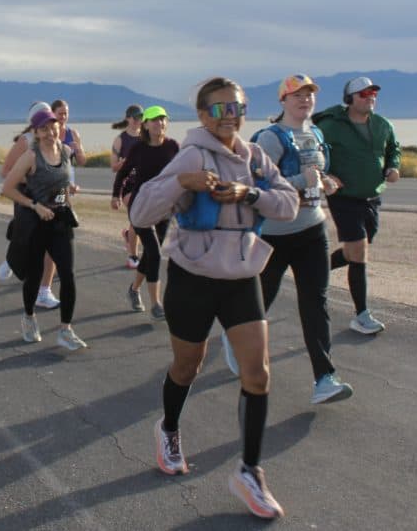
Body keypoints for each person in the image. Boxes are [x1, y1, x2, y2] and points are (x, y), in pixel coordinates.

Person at [130, 76, 297, 519]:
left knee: (258, 373)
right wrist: (182, 182)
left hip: (242, 275)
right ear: (204, 115)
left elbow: (289, 202)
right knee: (188, 366)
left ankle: (250, 470)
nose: (232, 116)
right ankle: (168, 428)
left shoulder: (255, 156)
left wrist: (252, 193)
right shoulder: (190, 154)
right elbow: (141, 212)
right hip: (193, 276)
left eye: (238, 107)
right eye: (221, 109)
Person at [238, 74, 354, 404]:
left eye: (309, 95)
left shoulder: (316, 133)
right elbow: (258, 188)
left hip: (313, 231)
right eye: (296, 95)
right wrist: (302, 180)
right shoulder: (272, 139)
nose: (304, 100)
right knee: (260, 301)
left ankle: (324, 378)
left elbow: (316, 176)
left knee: (315, 302)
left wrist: (325, 183)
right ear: (283, 101)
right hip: (276, 236)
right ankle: (239, 343)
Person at [313, 76, 401, 335]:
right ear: (350, 98)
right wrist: (326, 175)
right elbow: (312, 150)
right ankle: (361, 315)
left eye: (373, 93)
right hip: (344, 198)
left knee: (356, 250)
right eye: (364, 94)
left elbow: (394, 147)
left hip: (371, 197)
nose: (370, 97)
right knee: (359, 253)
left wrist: (393, 165)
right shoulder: (330, 125)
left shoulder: (383, 124)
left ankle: (316, 271)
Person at [2, 107, 88, 351]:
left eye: (53, 127)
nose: (50, 132)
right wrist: (35, 205)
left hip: (60, 221)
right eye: (44, 129)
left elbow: (64, 182)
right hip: (36, 223)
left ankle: (66, 330)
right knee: (34, 275)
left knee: (68, 275)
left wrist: (69, 193)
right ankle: (29, 317)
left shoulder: (66, 151)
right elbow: (7, 188)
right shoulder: (30, 156)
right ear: (36, 133)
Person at [112, 105, 178, 320]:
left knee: (151, 254)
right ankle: (156, 304)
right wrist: (116, 196)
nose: (160, 123)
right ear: (146, 125)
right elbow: (122, 173)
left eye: (163, 119)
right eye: (155, 120)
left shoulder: (173, 146)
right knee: (155, 252)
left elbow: (183, 172)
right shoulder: (139, 149)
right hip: (141, 207)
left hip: (164, 207)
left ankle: (133, 289)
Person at [0, 102, 60, 308]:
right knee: (25, 239)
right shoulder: (26, 142)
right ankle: (12, 258)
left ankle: (44, 291)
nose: (49, 125)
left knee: (50, 246)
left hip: (51, 200)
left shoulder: (55, 139)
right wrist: (33, 179)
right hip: (28, 198)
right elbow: (6, 171)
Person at [112, 105, 145, 270]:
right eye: (137, 117)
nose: (140, 120)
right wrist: (123, 163)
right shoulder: (121, 140)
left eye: (141, 117)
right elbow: (113, 166)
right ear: (129, 119)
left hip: (143, 185)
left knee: (140, 220)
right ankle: (133, 257)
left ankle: (128, 235)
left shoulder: (145, 137)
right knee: (137, 215)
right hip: (127, 186)